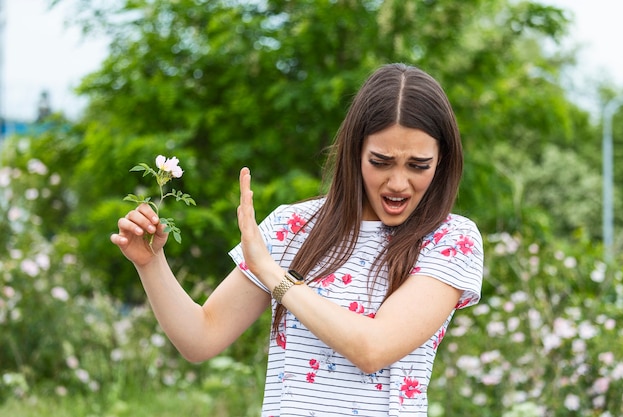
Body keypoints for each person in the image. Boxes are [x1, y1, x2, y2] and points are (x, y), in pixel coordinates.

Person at [111, 63, 483, 416]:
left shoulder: (451, 239)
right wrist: (150, 263)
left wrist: (273, 275)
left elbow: (373, 349)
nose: (399, 183)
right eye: (381, 161)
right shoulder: (293, 227)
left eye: (418, 165)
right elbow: (200, 338)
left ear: (442, 161)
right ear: (356, 152)